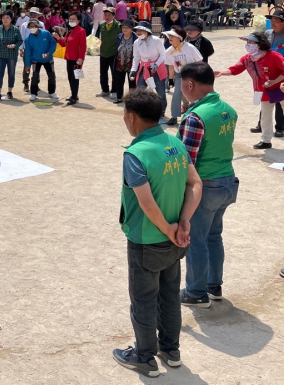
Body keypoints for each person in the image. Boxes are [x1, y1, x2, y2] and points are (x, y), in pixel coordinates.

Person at [113, 88, 202, 378]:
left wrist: (169, 228)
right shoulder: (175, 143)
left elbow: (146, 203)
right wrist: (184, 223)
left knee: (143, 299)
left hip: (146, 240)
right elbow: (195, 184)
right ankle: (171, 350)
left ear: (132, 116)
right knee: (168, 295)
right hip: (175, 241)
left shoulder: (135, 153)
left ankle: (144, 356)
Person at [173, 62, 238, 308]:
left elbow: (188, 161)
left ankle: (196, 292)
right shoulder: (228, 110)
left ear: (190, 84)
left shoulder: (195, 117)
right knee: (214, 236)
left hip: (205, 185)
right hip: (227, 182)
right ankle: (213, 285)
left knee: (196, 239)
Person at [215, 32, 284, 150]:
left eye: (251, 42)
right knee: (265, 116)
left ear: (259, 44)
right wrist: (222, 72)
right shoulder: (247, 58)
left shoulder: (274, 56)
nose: (248, 45)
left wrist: (275, 81)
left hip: (281, 89)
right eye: (247, 42)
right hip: (264, 92)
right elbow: (235, 69)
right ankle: (266, 140)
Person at [252, 8, 284, 138]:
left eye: (277, 20)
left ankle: (280, 127)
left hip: (281, 70)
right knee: (265, 99)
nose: (273, 22)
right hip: (266, 70)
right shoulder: (268, 33)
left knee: (279, 99)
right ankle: (261, 125)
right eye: (272, 20)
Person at [162, 26, 203, 126]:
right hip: (179, 74)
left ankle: (198, 115)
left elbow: (199, 61)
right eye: (169, 36)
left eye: (173, 36)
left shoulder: (190, 47)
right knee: (176, 94)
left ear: (179, 37)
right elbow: (171, 66)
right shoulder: (168, 52)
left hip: (193, 73)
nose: (170, 38)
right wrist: (170, 79)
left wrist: (198, 75)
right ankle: (174, 116)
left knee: (195, 95)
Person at [130, 21, 168, 118]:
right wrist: (133, 70)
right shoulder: (136, 42)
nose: (138, 33)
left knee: (161, 92)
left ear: (147, 31)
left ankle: (162, 110)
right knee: (140, 90)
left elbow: (163, 54)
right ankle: (141, 110)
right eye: (137, 31)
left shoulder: (156, 40)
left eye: (141, 30)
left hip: (157, 68)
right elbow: (136, 57)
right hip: (144, 68)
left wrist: (156, 64)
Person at [53, 11, 87, 106]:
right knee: (70, 77)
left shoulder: (81, 31)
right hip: (69, 58)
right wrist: (57, 37)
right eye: (70, 19)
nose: (71, 21)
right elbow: (64, 43)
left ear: (78, 20)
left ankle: (74, 96)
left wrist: (81, 58)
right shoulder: (69, 31)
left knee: (75, 78)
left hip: (77, 59)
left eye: (73, 19)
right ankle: (73, 95)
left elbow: (83, 46)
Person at [0, 11, 22, 102]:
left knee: (11, 74)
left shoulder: (15, 29)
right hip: (0, 55)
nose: (5, 19)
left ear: (11, 19)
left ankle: (9, 91)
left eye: (7, 17)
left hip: (12, 55)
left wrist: (15, 45)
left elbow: (20, 40)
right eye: (3, 18)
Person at [23, 18, 57, 103]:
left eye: (34, 26)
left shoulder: (46, 33)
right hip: (36, 60)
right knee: (35, 76)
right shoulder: (28, 39)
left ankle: (52, 91)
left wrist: (49, 52)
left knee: (51, 75)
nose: (32, 28)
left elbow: (53, 43)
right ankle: (33, 93)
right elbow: (27, 52)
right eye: (30, 27)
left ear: (38, 26)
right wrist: (27, 65)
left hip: (48, 59)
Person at [19, 8, 44, 93]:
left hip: (38, 49)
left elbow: (44, 37)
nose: (33, 16)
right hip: (28, 49)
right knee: (27, 66)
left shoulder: (41, 24)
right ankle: (26, 83)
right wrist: (21, 48)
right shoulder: (24, 25)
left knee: (37, 67)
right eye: (32, 14)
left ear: (38, 15)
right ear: (29, 15)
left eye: (35, 14)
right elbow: (22, 37)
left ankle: (36, 83)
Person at [113, 20, 137, 105]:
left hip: (131, 63)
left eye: (127, 27)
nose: (125, 29)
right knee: (119, 81)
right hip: (120, 62)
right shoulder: (119, 36)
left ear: (131, 28)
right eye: (123, 27)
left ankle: (132, 99)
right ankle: (119, 97)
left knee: (132, 82)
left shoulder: (136, 37)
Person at [97, 7, 120, 99]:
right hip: (103, 53)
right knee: (103, 72)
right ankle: (105, 90)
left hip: (114, 53)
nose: (107, 17)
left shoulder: (118, 26)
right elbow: (98, 37)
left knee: (114, 73)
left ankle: (114, 91)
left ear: (113, 16)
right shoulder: (102, 25)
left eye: (109, 15)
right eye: (105, 15)